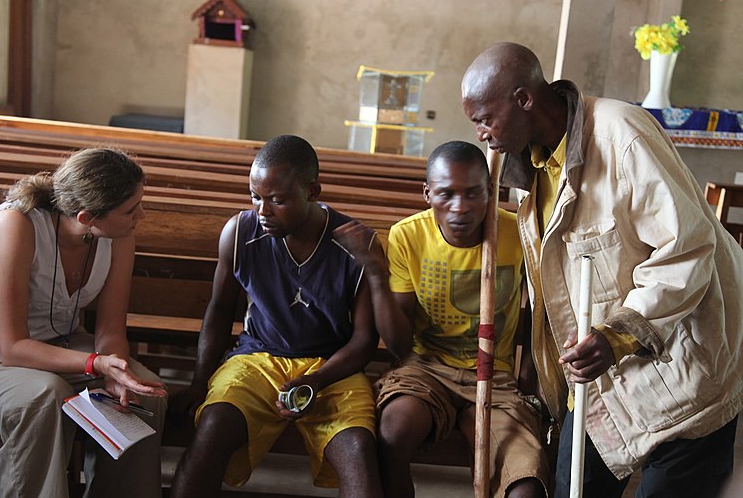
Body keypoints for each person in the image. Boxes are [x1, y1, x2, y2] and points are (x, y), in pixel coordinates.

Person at [461, 42, 743, 498]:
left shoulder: (622, 134)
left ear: (524, 100)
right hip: (600, 381)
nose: (481, 134)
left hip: (684, 366)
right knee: (574, 487)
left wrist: (616, 336)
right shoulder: (527, 169)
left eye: (484, 118)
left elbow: (687, 249)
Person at [0, 147, 168, 498]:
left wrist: (117, 371)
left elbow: (110, 329)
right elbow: (13, 347)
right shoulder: (15, 224)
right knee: (44, 396)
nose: (142, 214)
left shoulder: (119, 235)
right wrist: (97, 364)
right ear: (86, 217)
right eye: (131, 209)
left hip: (56, 344)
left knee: (144, 393)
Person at [168, 134, 383, 498]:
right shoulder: (240, 232)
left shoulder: (354, 244)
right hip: (258, 357)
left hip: (331, 366)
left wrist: (316, 381)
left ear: (312, 191)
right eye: (255, 197)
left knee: (360, 450)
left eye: (277, 200)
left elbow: (364, 340)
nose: (262, 210)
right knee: (212, 426)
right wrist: (199, 381)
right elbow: (219, 310)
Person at [335, 140, 548, 497]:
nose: (460, 208)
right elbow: (400, 346)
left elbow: (539, 313)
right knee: (391, 435)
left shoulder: (520, 233)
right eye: (446, 194)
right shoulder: (408, 236)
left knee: (526, 486)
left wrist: (528, 375)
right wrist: (375, 272)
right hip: (426, 370)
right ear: (427, 193)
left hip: (495, 376)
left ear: (491, 191)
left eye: (473, 194)